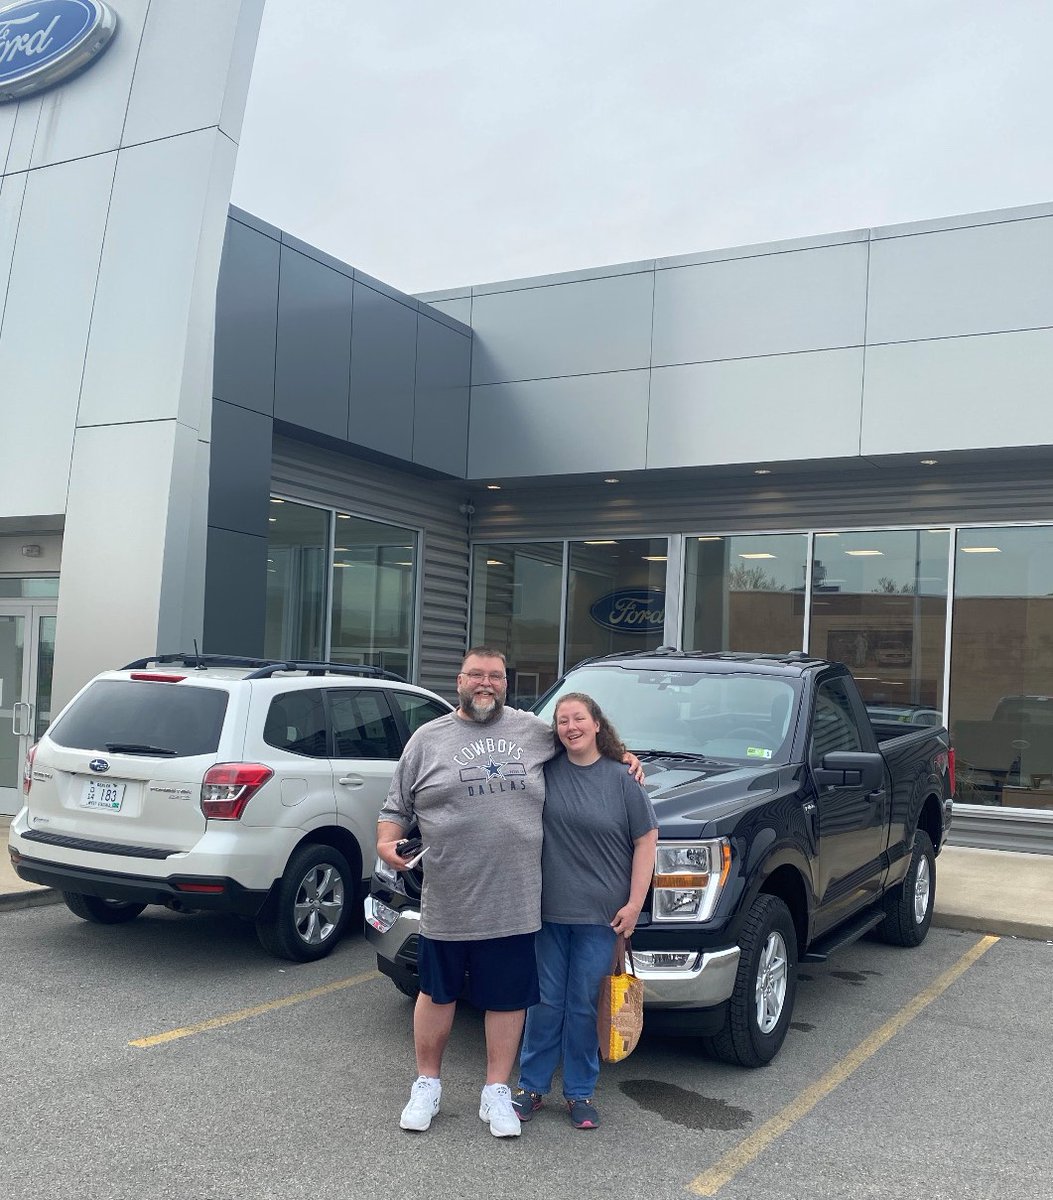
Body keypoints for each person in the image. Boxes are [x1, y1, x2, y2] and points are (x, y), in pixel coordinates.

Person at [377, 649, 643, 1138]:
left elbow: (580, 740)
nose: (485, 683)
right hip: (450, 900)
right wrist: (385, 841)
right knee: (436, 994)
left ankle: (497, 1092)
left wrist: (620, 755)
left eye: (495, 676)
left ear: (505, 683)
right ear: (459, 680)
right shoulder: (427, 739)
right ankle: (427, 1086)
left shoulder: (532, 731)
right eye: (476, 675)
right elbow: (396, 806)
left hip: (516, 905)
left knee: (507, 1000)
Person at [512, 692, 658, 1130]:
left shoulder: (621, 779)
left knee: (583, 1005)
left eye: (578, 719)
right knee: (544, 1003)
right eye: (562, 721)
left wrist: (635, 905)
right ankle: (531, 1087)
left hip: (602, 917)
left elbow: (645, 841)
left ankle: (579, 1093)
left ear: (597, 724)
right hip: (547, 914)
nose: (570, 727)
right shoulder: (543, 773)